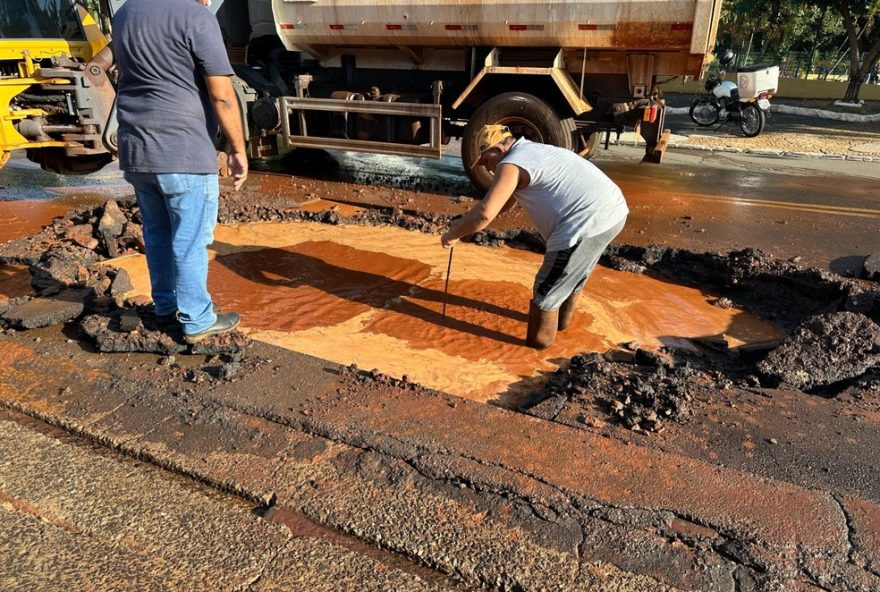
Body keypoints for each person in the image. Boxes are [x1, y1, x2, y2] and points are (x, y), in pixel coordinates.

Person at [113, 0, 247, 344]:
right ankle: (198, 319)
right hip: (182, 149)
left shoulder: (126, 13)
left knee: (158, 234)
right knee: (190, 240)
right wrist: (237, 149)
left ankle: (165, 306)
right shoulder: (194, 16)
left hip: (138, 149)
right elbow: (222, 96)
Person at [442, 125, 628, 349]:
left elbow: (484, 215)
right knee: (570, 276)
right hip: (613, 211)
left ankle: (537, 348)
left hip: (585, 222)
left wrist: (453, 234)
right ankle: (562, 329)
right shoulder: (531, 151)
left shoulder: (509, 164)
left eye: (486, 160)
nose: (488, 169)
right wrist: (464, 222)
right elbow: (501, 206)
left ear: (498, 149)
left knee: (546, 289)